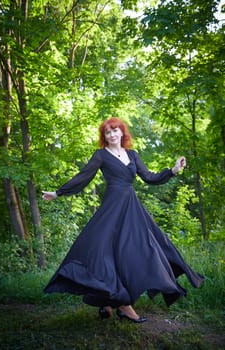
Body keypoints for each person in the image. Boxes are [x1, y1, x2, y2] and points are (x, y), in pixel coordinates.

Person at [42, 117, 204, 323]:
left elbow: (149, 177)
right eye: (107, 133)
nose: (111, 135)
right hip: (111, 207)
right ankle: (121, 305)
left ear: (122, 132)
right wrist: (58, 193)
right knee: (103, 250)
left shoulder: (133, 155)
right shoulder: (101, 155)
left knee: (138, 250)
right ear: (104, 137)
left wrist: (172, 170)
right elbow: (83, 177)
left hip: (131, 208)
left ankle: (109, 303)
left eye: (114, 130)